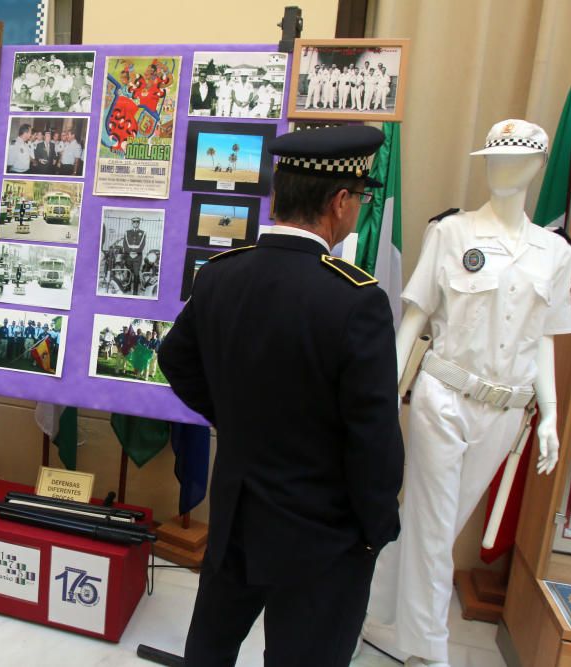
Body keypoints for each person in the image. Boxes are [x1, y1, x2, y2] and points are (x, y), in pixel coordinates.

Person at [158, 124, 404, 667]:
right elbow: (374, 438)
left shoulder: (220, 276)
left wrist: (232, 415)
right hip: (322, 534)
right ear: (340, 202)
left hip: (237, 513)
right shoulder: (356, 302)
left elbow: (174, 358)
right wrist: (375, 528)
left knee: (210, 651)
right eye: (359, 197)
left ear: (276, 196)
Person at [363, 120, 571, 667]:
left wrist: (549, 414)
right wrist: (383, 394)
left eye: (513, 159)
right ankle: (430, 653)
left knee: (440, 523)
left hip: (503, 411)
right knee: (435, 530)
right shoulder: (451, 234)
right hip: (444, 396)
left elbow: (546, 336)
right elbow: (414, 317)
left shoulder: (555, 253)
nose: (499, 169)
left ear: (535, 167)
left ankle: (370, 602)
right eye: (493, 158)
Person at [122, 217, 147, 295]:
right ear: (132, 223)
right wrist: (130, 252)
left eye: (137, 222)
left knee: (136, 273)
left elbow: (142, 245)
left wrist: (135, 252)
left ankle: (135, 291)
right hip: (129, 256)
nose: (136, 224)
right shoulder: (127, 232)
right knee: (129, 272)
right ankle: (128, 287)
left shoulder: (143, 233)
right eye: (134, 222)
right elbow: (124, 244)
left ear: (139, 223)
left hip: (137, 256)